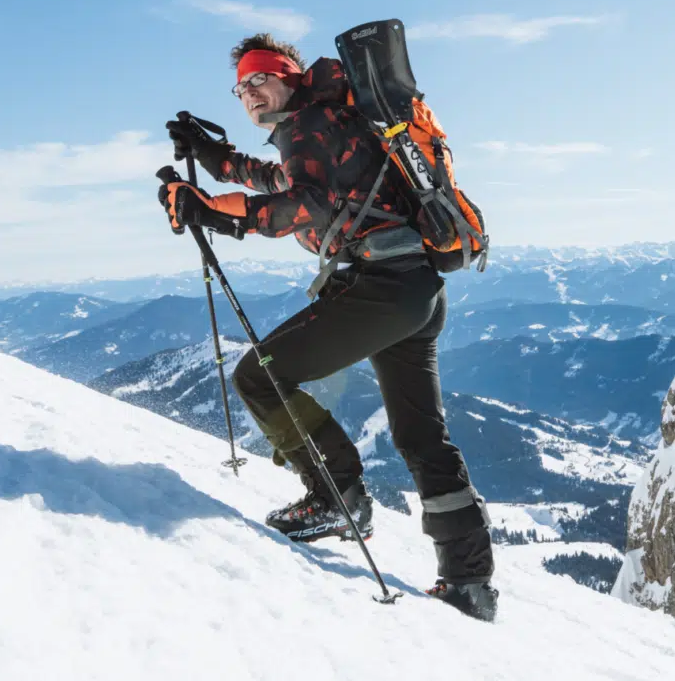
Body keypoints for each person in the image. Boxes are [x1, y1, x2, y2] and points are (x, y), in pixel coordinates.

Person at [160, 32, 497, 621]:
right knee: (422, 437)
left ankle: (336, 496)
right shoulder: (332, 116)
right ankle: (470, 582)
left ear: (287, 74)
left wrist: (208, 210)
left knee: (260, 377)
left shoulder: (308, 124)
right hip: (415, 288)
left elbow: (300, 207)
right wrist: (215, 161)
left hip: (381, 288)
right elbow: (284, 180)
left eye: (258, 79)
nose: (249, 94)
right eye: (240, 87)